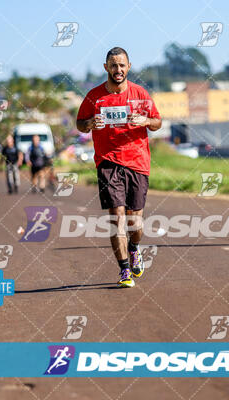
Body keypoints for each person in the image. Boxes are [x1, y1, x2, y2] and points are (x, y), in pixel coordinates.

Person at [76, 47, 161, 288]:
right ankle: (124, 269)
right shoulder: (94, 97)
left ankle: (134, 248)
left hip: (137, 161)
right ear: (106, 68)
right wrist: (90, 123)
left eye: (122, 65)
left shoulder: (140, 93)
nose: (118, 70)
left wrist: (145, 120)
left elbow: (158, 122)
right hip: (107, 161)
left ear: (129, 66)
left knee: (135, 223)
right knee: (117, 218)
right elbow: (80, 124)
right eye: (113, 66)